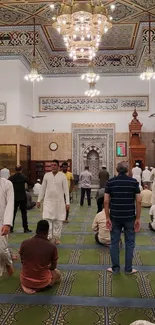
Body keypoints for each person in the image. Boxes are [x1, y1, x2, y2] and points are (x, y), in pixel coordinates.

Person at [104, 161, 141, 274]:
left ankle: (115, 268)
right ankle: (128, 269)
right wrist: (138, 218)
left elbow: (106, 201)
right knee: (130, 243)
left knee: (114, 242)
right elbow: (139, 201)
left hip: (115, 217)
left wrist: (107, 217)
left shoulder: (110, 182)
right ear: (128, 170)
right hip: (130, 217)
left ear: (116, 169)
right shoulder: (134, 182)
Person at [19, 220, 61, 294]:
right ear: (47, 231)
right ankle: (38, 288)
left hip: (25, 279)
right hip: (42, 282)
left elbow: (22, 261)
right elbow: (53, 267)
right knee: (57, 274)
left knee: (27, 270)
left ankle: (25, 285)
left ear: (36, 230)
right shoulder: (52, 247)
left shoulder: (24, 243)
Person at [37, 160, 69, 245]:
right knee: (47, 219)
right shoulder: (47, 175)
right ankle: (49, 237)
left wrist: (67, 202)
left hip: (59, 202)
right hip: (48, 201)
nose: (53, 166)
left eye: (55, 165)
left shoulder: (62, 176)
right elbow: (43, 188)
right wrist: (39, 200)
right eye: (51, 165)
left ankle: (57, 237)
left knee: (58, 220)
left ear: (58, 167)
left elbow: (66, 190)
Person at [9, 165, 32, 233]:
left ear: (15, 170)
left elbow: (7, 183)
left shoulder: (12, 177)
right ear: (21, 169)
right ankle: (25, 228)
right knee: (24, 213)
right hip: (22, 197)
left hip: (14, 197)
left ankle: (11, 228)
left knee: (13, 213)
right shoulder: (23, 177)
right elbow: (31, 183)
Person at [0, 176, 14, 277]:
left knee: (2, 249)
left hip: (2, 221)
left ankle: (8, 263)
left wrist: (7, 223)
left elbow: (10, 204)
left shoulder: (7, 184)